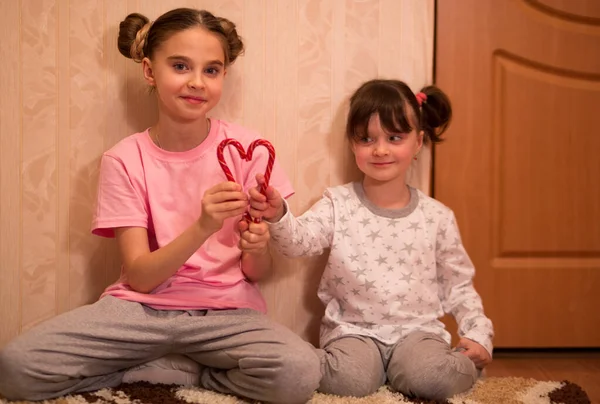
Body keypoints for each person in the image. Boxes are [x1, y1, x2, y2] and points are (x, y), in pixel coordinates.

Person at [0, 8, 320, 403]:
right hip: (140, 310)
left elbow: (256, 272)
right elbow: (141, 278)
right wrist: (202, 225)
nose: (197, 82)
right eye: (181, 66)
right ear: (150, 71)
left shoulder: (246, 150)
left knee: (300, 372)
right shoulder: (124, 159)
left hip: (226, 312)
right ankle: (157, 365)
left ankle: (177, 372)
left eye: (212, 70)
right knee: (15, 367)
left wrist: (256, 248)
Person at [248, 79, 494, 400]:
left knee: (432, 379)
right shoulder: (338, 203)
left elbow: (459, 286)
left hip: (418, 333)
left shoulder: (437, 217)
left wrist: (478, 335)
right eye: (367, 139)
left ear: (418, 142)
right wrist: (277, 212)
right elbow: (298, 242)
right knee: (347, 382)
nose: (380, 150)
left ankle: (449, 367)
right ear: (353, 144)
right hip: (353, 332)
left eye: (395, 138)